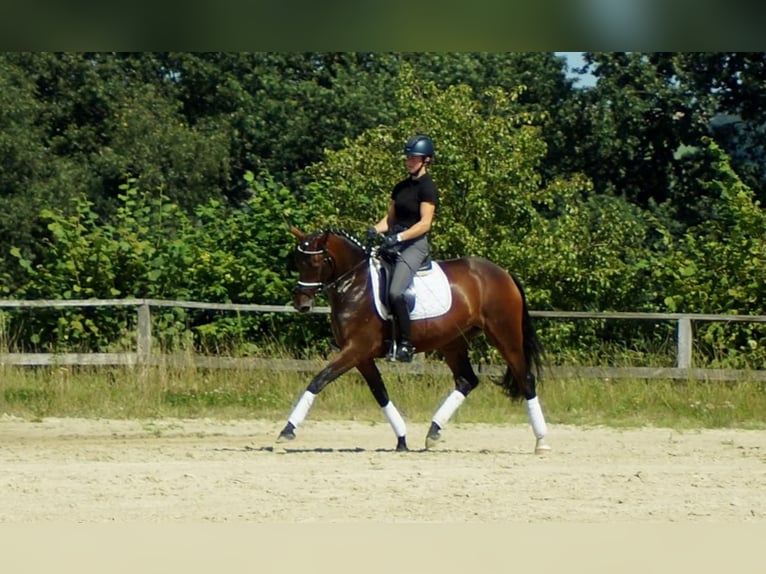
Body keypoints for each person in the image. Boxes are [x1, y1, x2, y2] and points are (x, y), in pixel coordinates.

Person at [367, 134, 439, 362]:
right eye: (407, 157)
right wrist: (374, 230)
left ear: (426, 160)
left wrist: (398, 236)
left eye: (413, 157)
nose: (409, 161)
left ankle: (406, 345)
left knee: (396, 292)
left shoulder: (427, 188)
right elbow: (388, 221)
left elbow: (425, 224)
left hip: (414, 245)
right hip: (394, 242)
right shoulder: (400, 188)